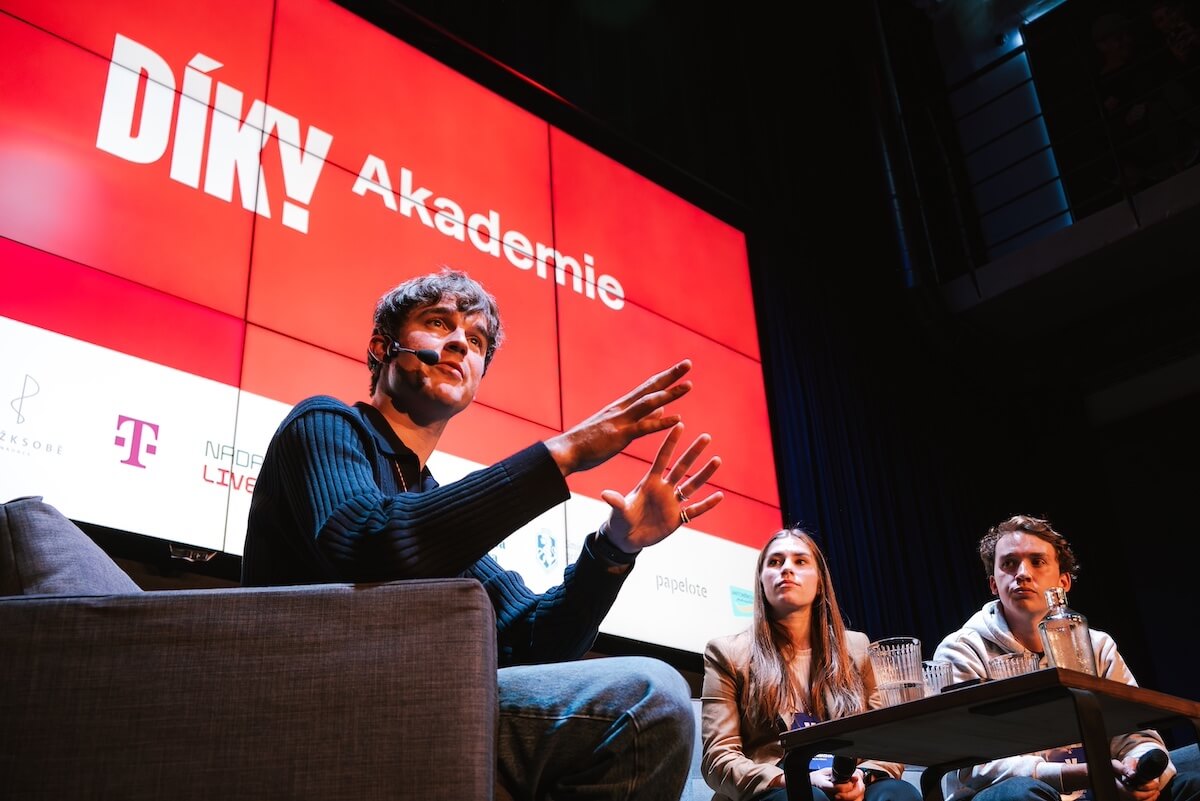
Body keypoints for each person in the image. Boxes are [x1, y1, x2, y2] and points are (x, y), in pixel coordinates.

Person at [242, 267, 725, 800]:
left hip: (405, 708)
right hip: (316, 703)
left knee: (662, 719)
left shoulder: (431, 503)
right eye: (437, 323)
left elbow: (536, 641)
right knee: (646, 698)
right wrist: (562, 454)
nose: (459, 344)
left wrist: (615, 547)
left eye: (475, 341)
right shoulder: (326, 424)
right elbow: (366, 544)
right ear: (383, 347)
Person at [933, 514, 1200, 801]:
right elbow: (968, 764)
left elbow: (1136, 735)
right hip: (1020, 791)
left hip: (1106, 782)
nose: (1022, 573)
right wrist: (1083, 775)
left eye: (1037, 562)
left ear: (1063, 582)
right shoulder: (961, 649)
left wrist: (1142, 773)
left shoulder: (1096, 645)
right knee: (1018, 793)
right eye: (1009, 564)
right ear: (994, 585)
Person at [700, 528, 923, 801]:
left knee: (898, 794)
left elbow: (885, 742)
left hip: (847, 777)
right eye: (775, 562)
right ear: (761, 581)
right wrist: (790, 779)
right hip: (774, 787)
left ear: (820, 582)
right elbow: (718, 759)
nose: (786, 569)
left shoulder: (857, 648)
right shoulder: (727, 653)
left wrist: (862, 777)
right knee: (808, 798)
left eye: (800, 561)